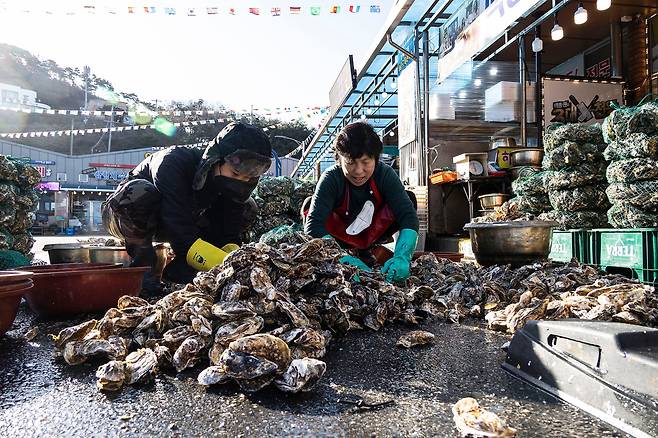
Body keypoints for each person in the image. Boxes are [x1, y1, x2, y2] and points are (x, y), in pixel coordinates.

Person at [102, 122, 272, 290]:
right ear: (215, 161)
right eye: (235, 173)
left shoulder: (228, 185)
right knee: (139, 192)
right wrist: (221, 265)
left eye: (248, 178)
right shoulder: (173, 162)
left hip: (182, 221)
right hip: (124, 212)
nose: (240, 181)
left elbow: (229, 230)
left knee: (248, 207)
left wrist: (234, 258)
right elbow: (178, 225)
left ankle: (180, 271)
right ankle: (143, 270)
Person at [303, 122, 419, 283]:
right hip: (339, 240)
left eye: (366, 162)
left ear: (376, 158)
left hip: (372, 233)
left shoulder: (385, 174)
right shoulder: (331, 178)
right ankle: (350, 254)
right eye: (350, 162)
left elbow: (407, 216)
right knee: (309, 206)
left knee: (409, 199)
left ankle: (369, 251)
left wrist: (402, 257)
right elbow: (313, 226)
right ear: (339, 159)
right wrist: (339, 257)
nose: (358, 171)